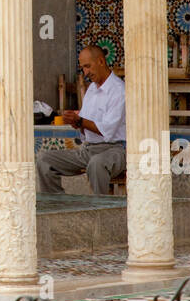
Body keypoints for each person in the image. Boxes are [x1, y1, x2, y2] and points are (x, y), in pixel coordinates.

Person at [36, 45, 126, 196]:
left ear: (101, 61)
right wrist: (76, 122)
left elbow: (107, 131)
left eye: (88, 66)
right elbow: (85, 125)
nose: (86, 72)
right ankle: (59, 208)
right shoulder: (91, 89)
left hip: (115, 150)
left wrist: (81, 121)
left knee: (96, 164)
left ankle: (102, 210)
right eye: (83, 68)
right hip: (88, 149)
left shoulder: (118, 90)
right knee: (44, 160)